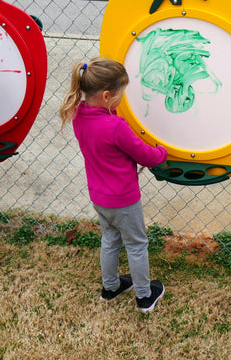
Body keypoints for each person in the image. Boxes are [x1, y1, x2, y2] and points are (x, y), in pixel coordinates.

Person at [60, 57, 168, 312]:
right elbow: (145, 155)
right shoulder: (116, 126)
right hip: (124, 200)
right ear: (108, 96)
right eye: (121, 94)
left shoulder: (78, 115)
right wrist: (162, 152)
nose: (123, 99)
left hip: (99, 197)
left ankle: (110, 287)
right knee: (136, 244)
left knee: (110, 239)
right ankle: (144, 296)